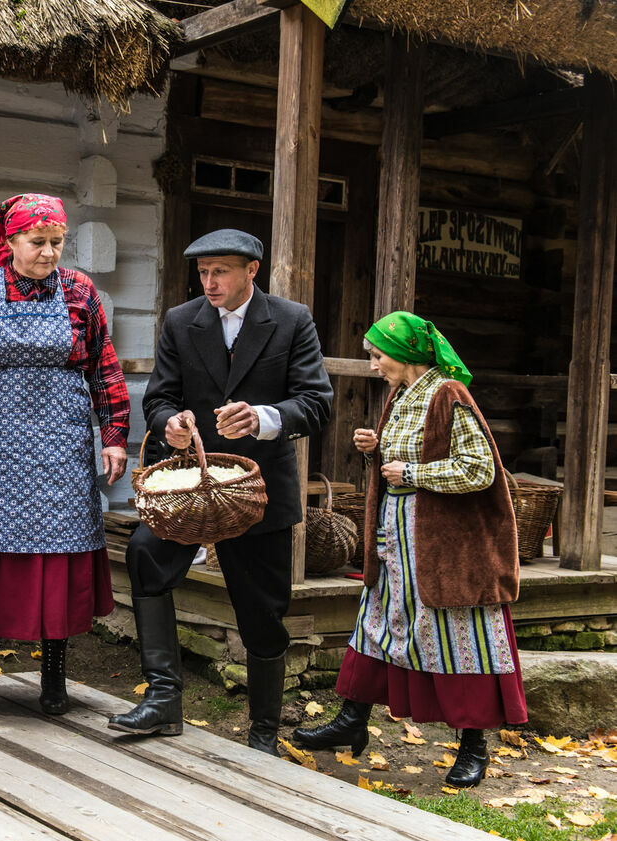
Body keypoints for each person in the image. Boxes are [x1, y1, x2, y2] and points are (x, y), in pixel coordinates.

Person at [108, 229, 332, 754]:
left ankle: (262, 733)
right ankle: (163, 699)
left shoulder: (292, 320)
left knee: (262, 608)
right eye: (203, 272)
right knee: (144, 554)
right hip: (189, 486)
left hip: (258, 492)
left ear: (252, 271)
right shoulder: (181, 322)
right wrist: (171, 425)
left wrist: (263, 417)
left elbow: (316, 403)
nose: (208, 282)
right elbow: (160, 397)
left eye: (221, 272)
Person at [292, 311, 525, 788]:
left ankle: (474, 745)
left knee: (458, 634)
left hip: (442, 543)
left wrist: (412, 474)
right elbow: (413, 455)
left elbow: (480, 469)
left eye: (378, 355)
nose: (374, 364)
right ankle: (352, 722)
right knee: (380, 622)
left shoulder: (449, 395)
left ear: (406, 353)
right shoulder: (402, 395)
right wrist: (376, 447)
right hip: (396, 534)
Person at [0, 193, 129, 720]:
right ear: (10, 241)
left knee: (55, 558)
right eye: (37, 242)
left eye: (56, 243)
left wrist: (113, 436)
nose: (47, 253)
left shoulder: (81, 293)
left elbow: (105, 371)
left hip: (60, 448)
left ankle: (54, 678)